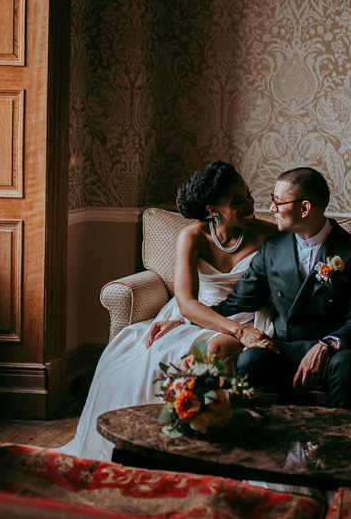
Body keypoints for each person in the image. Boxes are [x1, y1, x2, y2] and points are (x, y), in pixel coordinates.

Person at [55, 161, 278, 461]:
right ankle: (157, 447)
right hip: (195, 313)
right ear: (214, 210)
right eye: (237, 202)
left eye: (248, 194)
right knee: (135, 355)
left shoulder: (270, 234)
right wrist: (222, 327)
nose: (250, 204)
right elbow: (187, 302)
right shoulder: (192, 236)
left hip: (247, 312)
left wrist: (244, 328)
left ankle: (219, 445)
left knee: (219, 349)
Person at [211, 167, 351, 408]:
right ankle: (266, 440)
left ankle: (341, 443)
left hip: (335, 351)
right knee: (251, 359)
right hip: (286, 347)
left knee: (349, 365)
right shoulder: (272, 248)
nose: (271, 209)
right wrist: (185, 318)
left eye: (278, 202)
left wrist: (327, 345)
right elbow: (239, 300)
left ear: (304, 208)